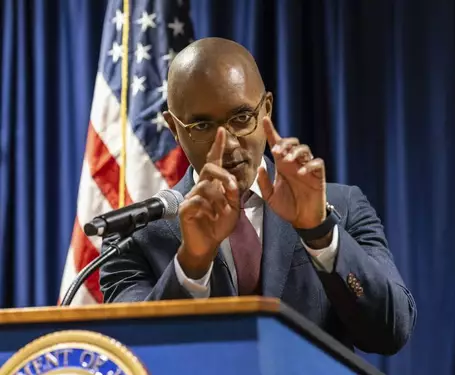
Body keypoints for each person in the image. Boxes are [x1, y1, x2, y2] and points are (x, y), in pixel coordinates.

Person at [99, 37, 416, 355]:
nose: (230, 143)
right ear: (173, 127)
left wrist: (319, 233)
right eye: (202, 125)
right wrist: (191, 263)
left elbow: (391, 331)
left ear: (266, 108)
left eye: (241, 118)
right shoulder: (132, 235)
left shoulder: (342, 208)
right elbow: (133, 357)